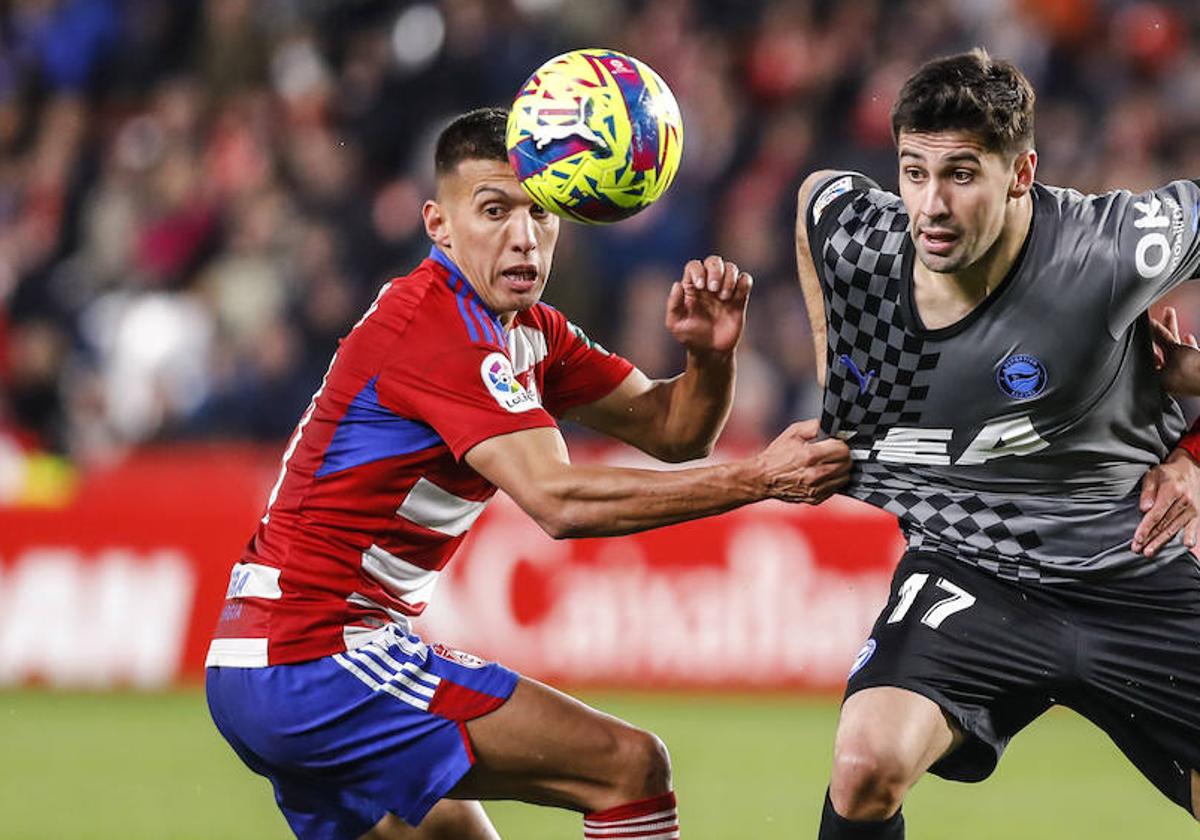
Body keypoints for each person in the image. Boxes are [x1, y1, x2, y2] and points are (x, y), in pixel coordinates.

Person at [205, 106, 852, 840]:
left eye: (542, 213)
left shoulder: (530, 333)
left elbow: (674, 432)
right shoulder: (438, 327)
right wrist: (758, 479)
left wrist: (709, 357)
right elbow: (558, 500)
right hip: (316, 656)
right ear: (437, 225)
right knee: (629, 767)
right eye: (493, 210)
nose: (523, 236)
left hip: (275, 661)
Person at [794, 49, 1200, 839]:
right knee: (864, 764)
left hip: (1132, 567)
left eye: (962, 175)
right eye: (914, 171)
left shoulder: (1112, 248)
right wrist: (838, 395)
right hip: (972, 568)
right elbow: (818, 197)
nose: (931, 205)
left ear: (1021, 174)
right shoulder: (862, 242)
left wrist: (1195, 452)